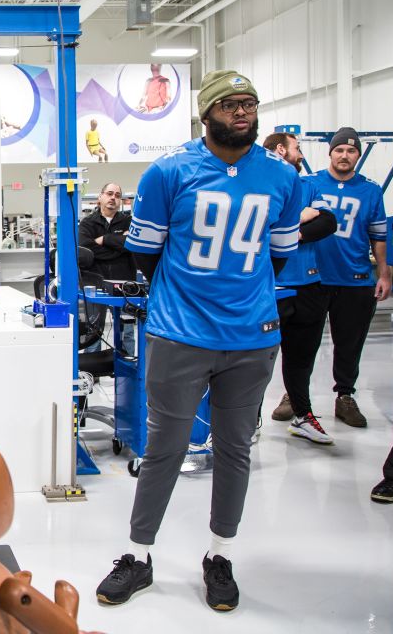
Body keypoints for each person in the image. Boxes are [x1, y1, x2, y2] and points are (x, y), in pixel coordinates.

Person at [96, 70, 304, 612]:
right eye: (231, 104)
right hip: (180, 332)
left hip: (251, 335)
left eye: (250, 104)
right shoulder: (170, 171)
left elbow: (278, 252)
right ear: (206, 113)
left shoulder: (281, 178)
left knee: (235, 449)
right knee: (164, 446)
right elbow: (145, 254)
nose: (242, 113)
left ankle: (220, 555)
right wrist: (187, 295)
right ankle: (138, 556)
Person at [306, 127, 393, 428]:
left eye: (351, 150)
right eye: (339, 150)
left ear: (357, 155)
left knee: (349, 343)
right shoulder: (310, 184)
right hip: (313, 279)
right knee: (303, 343)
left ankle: (344, 396)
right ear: (330, 153)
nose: (345, 155)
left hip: (354, 278)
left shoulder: (370, 190)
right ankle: (295, 397)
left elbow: (379, 235)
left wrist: (383, 272)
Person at [262, 132, 339, 444]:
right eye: (297, 148)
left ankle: (301, 415)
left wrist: (288, 233)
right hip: (269, 287)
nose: (301, 154)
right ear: (282, 149)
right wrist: (300, 217)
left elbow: (327, 222)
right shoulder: (257, 185)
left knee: (302, 359)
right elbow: (257, 229)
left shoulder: (308, 185)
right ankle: (248, 420)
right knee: (256, 360)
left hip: (308, 286)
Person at [78, 181, 135, 353]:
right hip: (95, 284)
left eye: (117, 195)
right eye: (109, 194)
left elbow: (131, 245)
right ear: (100, 197)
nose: (113, 198)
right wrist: (118, 246)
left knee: (127, 331)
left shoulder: (129, 222)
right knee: (94, 332)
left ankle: (127, 371)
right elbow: (86, 250)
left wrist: (105, 240)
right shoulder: (87, 224)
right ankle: (92, 374)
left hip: (124, 284)